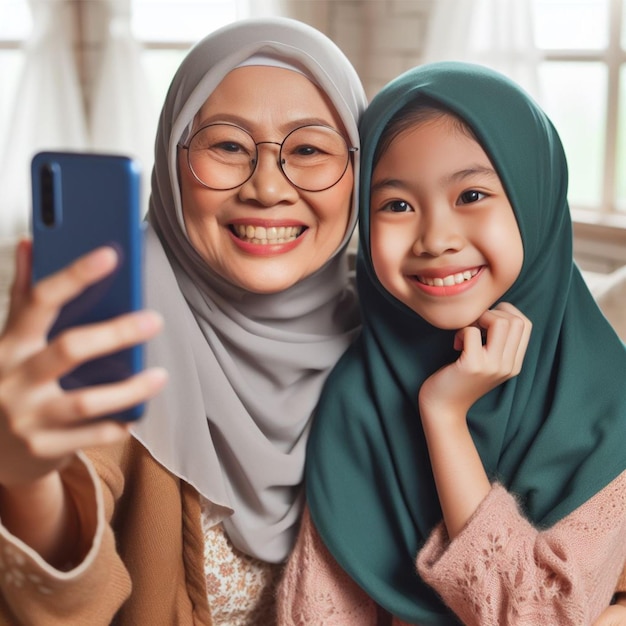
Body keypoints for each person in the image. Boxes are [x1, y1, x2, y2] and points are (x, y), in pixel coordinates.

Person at [0, 16, 366, 624]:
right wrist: (24, 481)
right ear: (172, 160)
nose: (268, 187)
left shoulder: (381, 337)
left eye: (308, 149)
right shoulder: (110, 328)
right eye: (227, 145)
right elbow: (62, 585)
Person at [277, 62, 626, 625]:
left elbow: (538, 617)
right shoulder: (357, 393)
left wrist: (445, 419)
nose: (436, 239)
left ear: (533, 198)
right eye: (395, 205)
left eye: (471, 194)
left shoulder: (612, 402)